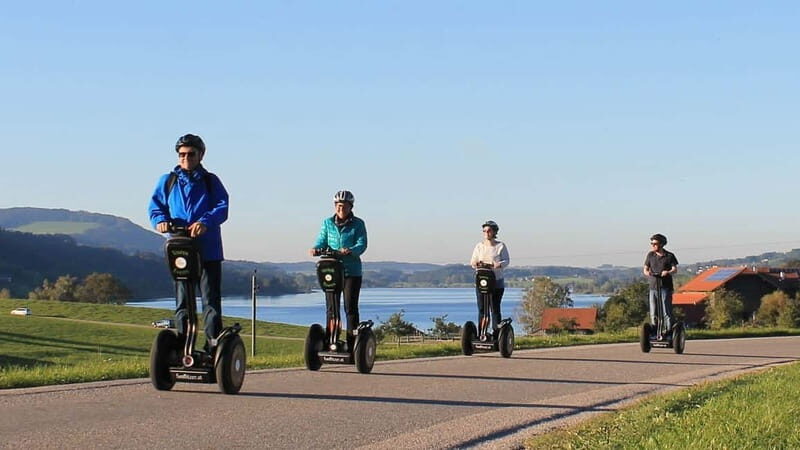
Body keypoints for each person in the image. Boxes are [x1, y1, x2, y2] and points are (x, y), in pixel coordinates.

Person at [148, 133, 229, 350]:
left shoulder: (211, 181)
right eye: (181, 154)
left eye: (191, 154)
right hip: (180, 249)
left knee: (210, 301)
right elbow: (155, 207)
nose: (186, 158)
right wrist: (161, 221)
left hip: (208, 249)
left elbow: (222, 207)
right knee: (183, 300)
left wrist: (205, 222)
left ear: (200, 155)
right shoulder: (167, 181)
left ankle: (213, 344)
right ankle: (183, 344)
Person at [309, 190, 368, 351]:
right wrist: (316, 249)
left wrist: (351, 250)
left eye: (344, 206)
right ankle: (330, 341)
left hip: (351, 272)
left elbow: (362, 244)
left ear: (350, 207)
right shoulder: (327, 223)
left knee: (350, 307)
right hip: (332, 270)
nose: (340, 208)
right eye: (338, 205)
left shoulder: (358, 224)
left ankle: (352, 341)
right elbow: (321, 240)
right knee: (331, 308)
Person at [470, 220, 510, 332]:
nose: (486, 233)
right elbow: (473, 261)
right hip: (482, 282)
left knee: (495, 309)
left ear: (494, 232)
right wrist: (476, 263)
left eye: (489, 231)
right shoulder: (479, 246)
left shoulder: (500, 246)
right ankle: (481, 333)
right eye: (484, 231)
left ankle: (497, 334)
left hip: (496, 282)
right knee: (482, 309)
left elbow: (506, 261)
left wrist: (499, 264)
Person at [643, 233, 679, 330]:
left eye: (655, 243)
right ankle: (655, 331)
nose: (653, 245)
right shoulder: (650, 255)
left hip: (665, 287)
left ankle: (668, 330)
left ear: (662, 244)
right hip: (653, 287)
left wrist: (667, 272)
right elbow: (645, 269)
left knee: (666, 311)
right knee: (653, 311)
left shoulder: (669, 256)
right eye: (652, 243)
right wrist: (648, 273)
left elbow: (675, 269)